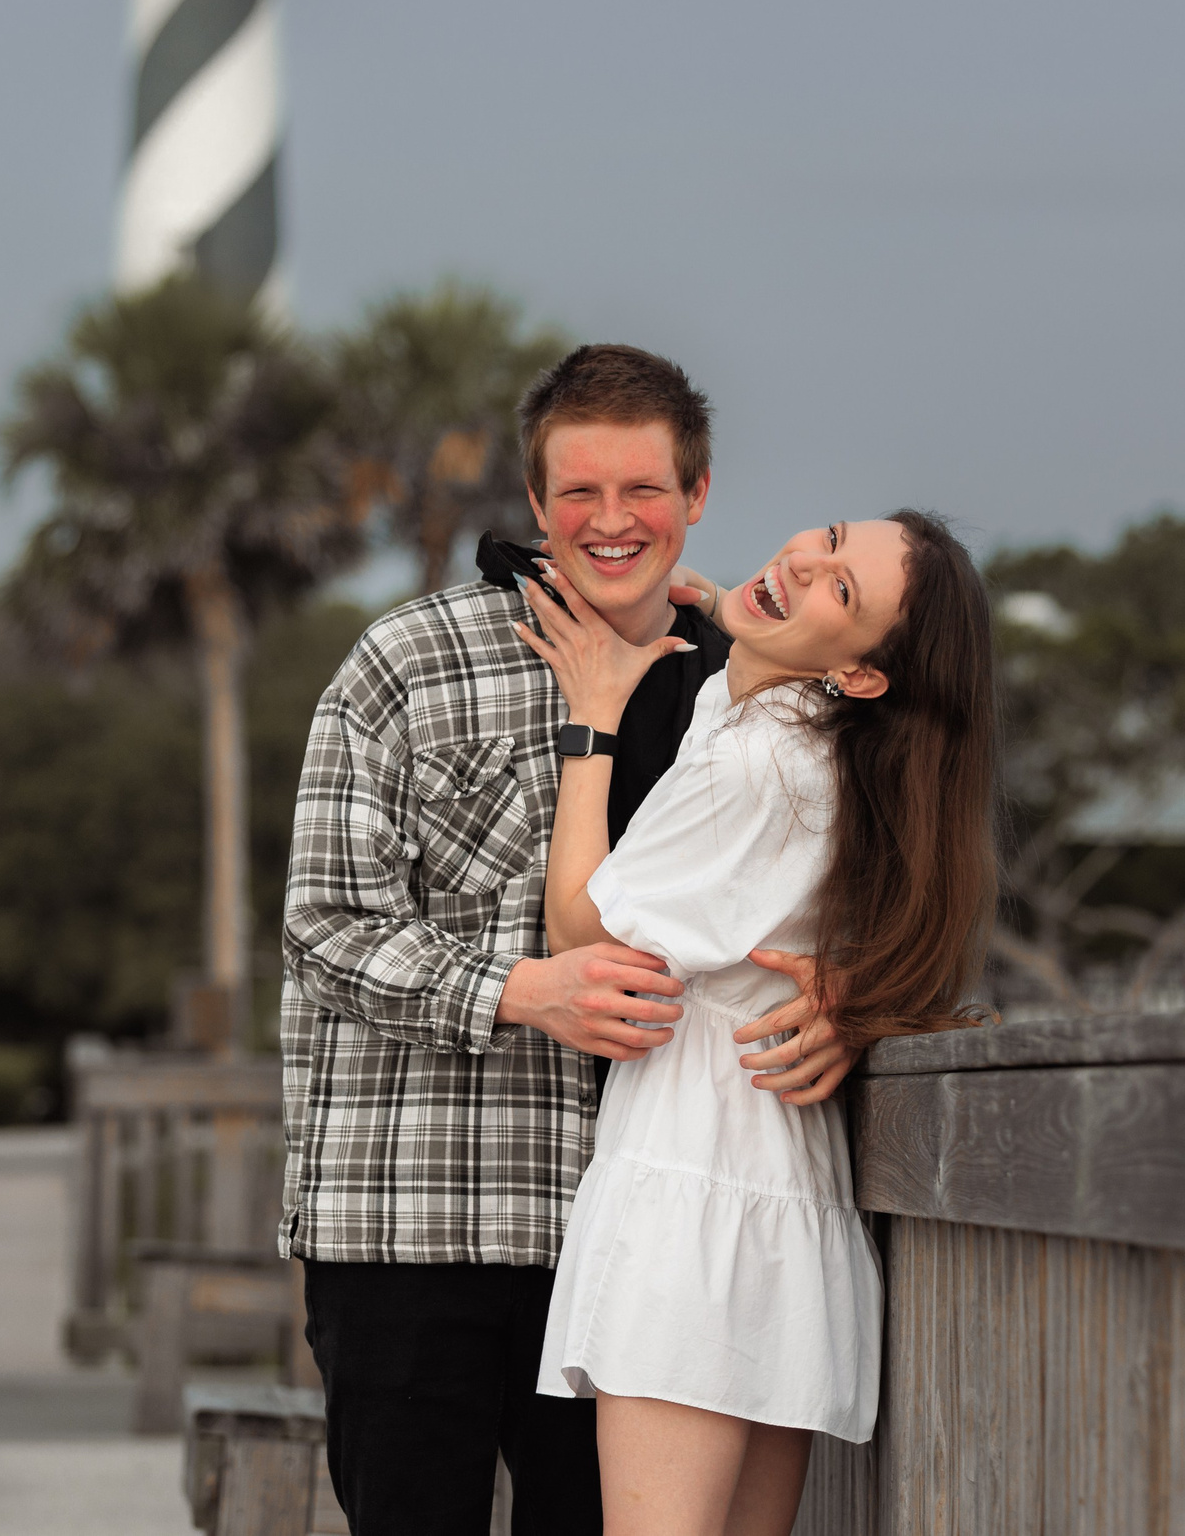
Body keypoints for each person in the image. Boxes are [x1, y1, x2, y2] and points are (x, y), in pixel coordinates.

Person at [279, 345, 861, 1536]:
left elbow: (824, 894)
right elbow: (322, 928)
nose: (612, 522)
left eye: (643, 490)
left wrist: (853, 1000)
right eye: (578, 493)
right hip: (409, 1220)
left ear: (695, 493)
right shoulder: (406, 661)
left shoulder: (740, 681)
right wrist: (517, 990)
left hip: (626, 1252)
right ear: (536, 505)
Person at [511, 511, 999, 1536]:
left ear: (861, 676)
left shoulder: (761, 766)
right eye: (825, 535)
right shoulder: (788, 732)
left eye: (841, 591)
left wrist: (592, 718)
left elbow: (580, 931)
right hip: (765, 1186)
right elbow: (745, 654)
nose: (805, 560)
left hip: (698, 1183)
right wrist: (706, 601)